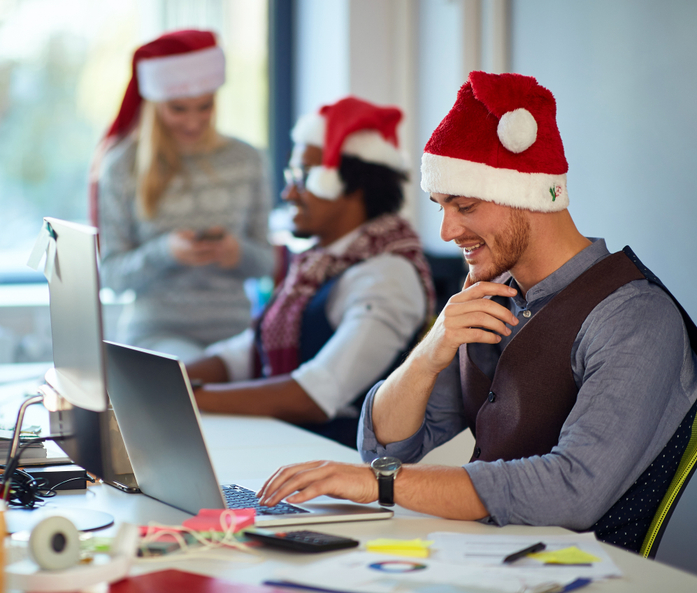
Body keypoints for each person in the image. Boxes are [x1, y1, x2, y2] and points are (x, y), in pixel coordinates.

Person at [256, 71, 697, 552]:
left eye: (464, 205)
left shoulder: (635, 317)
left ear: (526, 195)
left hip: (583, 574)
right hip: (488, 557)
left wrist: (382, 483)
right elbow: (386, 447)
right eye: (441, 205)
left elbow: (574, 490)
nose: (447, 231)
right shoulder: (492, 295)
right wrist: (432, 348)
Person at [186, 96, 435, 448]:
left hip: (341, 468)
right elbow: (248, 353)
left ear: (352, 186)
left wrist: (190, 398)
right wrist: (170, 377)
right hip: (291, 449)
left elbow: (318, 394)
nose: (288, 192)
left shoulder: (387, 277)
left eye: (302, 177)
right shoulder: (317, 265)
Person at [93, 30, 273, 362]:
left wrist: (237, 252)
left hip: (234, 336)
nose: (193, 121)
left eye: (204, 106)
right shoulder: (121, 166)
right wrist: (167, 251)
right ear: (154, 105)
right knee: (192, 378)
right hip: (157, 335)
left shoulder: (249, 160)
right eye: (178, 109)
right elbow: (112, 276)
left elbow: (267, 261)